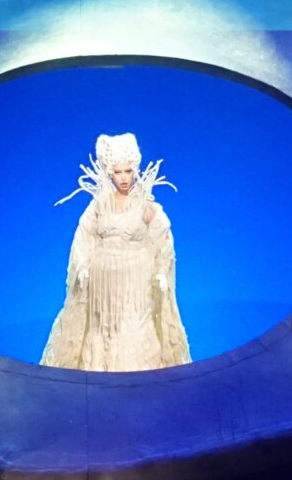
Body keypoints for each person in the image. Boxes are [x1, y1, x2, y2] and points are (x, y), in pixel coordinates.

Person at [40, 132, 192, 371]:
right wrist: (82, 267)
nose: (123, 178)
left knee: (135, 327)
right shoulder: (99, 205)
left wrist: (162, 272)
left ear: (135, 170)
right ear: (110, 172)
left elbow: (163, 241)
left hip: (136, 282)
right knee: (103, 331)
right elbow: (82, 237)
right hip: (103, 285)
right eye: (118, 172)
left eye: (128, 171)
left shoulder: (145, 206)